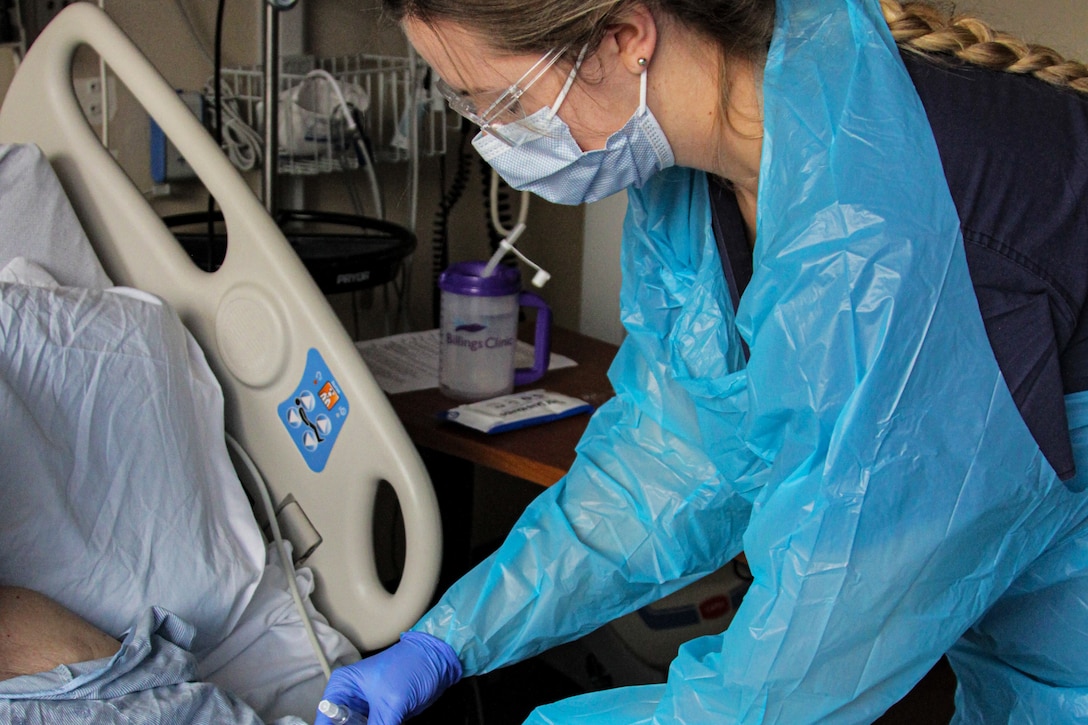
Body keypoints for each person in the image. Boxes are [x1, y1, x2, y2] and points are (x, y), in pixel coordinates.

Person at [319, 0, 1088, 722]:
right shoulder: (699, 177)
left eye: (503, 103)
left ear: (624, 37)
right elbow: (673, 454)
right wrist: (451, 636)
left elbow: (803, 661)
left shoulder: (884, 225)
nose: (495, 140)